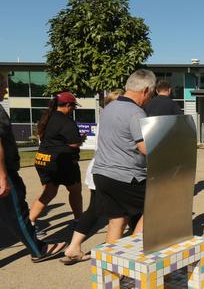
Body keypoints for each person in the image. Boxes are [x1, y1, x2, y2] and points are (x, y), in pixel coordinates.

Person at [0, 73, 67, 263]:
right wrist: (3, 176)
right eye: (3, 85)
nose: (6, 90)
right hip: (4, 172)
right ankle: (38, 250)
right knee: (17, 213)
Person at [61, 89, 124, 265]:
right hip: (108, 171)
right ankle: (113, 258)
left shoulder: (105, 120)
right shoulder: (115, 121)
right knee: (116, 214)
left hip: (99, 170)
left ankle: (74, 247)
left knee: (95, 210)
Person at [92, 69, 156, 242]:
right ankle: (135, 255)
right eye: (151, 94)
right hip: (126, 176)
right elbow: (145, 148)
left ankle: (111, 267)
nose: (150, 99)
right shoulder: (136, 112)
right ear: (145, 91)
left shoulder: (109, 108)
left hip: (102, 174)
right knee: (155, 206)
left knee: (117, 220)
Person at [29, 91, 85, 234]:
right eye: (73, 107)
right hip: (61, 161)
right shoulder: (67, 121)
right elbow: (73, 144)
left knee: (48, 192)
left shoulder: (47, 117)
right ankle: (79, 221)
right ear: (67, 105)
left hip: (42, 159)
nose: (73, 110)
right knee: (75, 191)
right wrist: (81, 139)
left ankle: (30, 222)